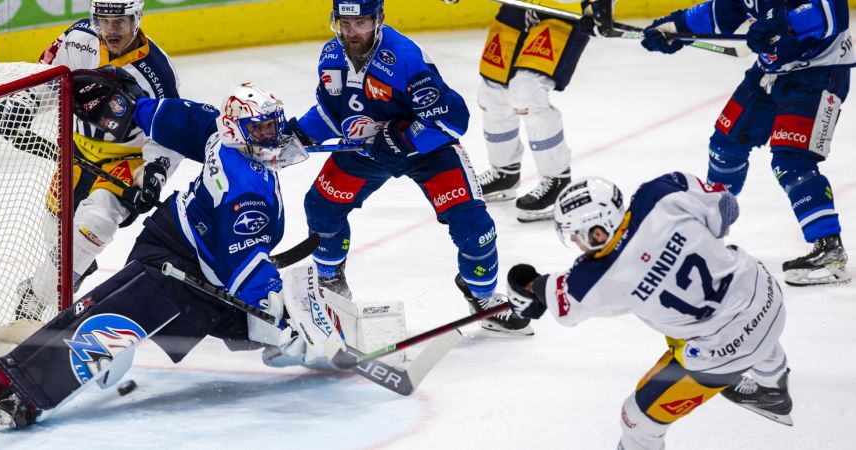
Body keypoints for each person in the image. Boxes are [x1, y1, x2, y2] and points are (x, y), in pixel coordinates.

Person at [0, 74, 316, 430]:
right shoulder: (246, 187)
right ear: (236, 129)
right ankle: (21, 391)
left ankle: (307, 332)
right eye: (259, 129)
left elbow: (174, 118)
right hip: (174, 262)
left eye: (271, 126)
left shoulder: (219, 133)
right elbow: (240, 263)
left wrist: (130, 106)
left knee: (250, 325)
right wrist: (275, 310)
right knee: (115, 320)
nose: (271, 136)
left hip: (187, 254)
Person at [291, 0, 531, 335]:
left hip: (426, 152)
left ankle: (483, 298)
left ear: (379, 19)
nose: (351, 32)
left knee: (474, 229)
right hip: (367, 149)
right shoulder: (331, 56)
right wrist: (299, 133)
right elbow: (332, 113)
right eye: (345, 24)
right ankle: (330, 283)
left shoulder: (405, 58)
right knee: (321, 206)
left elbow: (451, 120)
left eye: (360, 23)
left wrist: (402, 136)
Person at [504, 173, 792, 449]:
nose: (576, 245)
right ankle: (773, 388)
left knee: (637, 418)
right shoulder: (660, 192)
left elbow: (556, 303)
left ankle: (761, 381)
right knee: (736, 307)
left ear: (597, 231)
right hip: (766, 297)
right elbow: (726, 208)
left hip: (723, 353)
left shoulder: (592, 279)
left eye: (576, 236)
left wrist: (525, 286)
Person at [0, 0, 184, 321]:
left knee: (93, 227)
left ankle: (34, 300)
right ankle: (69, 272)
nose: (111, 30)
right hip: (76, 152)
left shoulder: (158, 72)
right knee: (58, 233)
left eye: (120, 22)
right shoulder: (77, 38)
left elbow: (169, 131)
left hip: (124, 162)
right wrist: (24, 102)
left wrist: (154, 174)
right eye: (103, 20)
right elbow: (47, 76)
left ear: (137, 19)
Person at [640, 0, 854, 286]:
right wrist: (675, 28)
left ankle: (829, 249)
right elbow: (722, 10)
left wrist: (781, 24)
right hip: (767, 74)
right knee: (724, 146)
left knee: (792, 160)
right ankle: (710, 230)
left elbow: (832, 12)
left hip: (819, 73)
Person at [470, 0, 606, 222]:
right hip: (517, 7)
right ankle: (504, 172)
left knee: (527, 92)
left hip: (561, 11)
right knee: (491, 92)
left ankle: (557, 180)